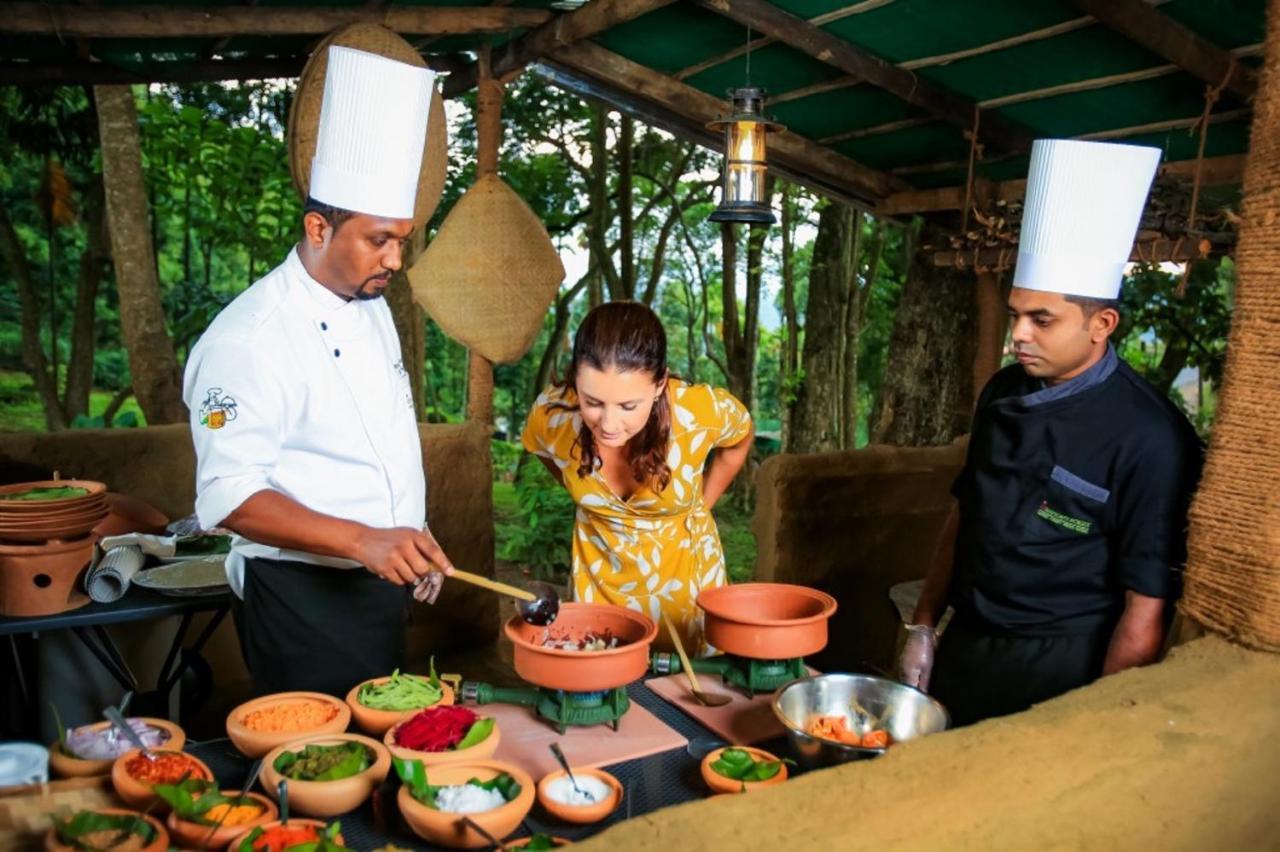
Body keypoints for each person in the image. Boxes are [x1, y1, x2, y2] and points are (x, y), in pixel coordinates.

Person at [898, 139, 1203, 726]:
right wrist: (924, 627)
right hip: (967, 645)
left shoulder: (1152, 439)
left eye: (1042, 319)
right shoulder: (1003, 392)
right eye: (1016, 314)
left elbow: (1145, 610)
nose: (1019, 335)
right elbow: (966, 514)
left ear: (1101, 324)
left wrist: (1094, 724)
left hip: (1061, 666)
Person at [183, 47, 454, 696]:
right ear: (317, 228)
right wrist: (366, 538)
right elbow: (226, 496)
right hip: (301, 596)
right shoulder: (247, 340)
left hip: (379, 583)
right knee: (318, 770)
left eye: (402, 239)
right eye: (378, 239)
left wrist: (409, 532)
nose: (394, 258)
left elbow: (370, 440)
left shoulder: (370, 302)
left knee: (380, 751)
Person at [521, 302, 754, 654]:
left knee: (686, 693)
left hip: (684, 578)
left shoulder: (698, 411)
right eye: (593, 402)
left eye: (629, 406)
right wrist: (581, 487)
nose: (609, 424)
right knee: (601, 678)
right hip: (599, 574)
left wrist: (702, 504)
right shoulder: (551, 414)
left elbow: (741, 435)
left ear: (660, 383)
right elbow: (540, 448)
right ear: (575, 381)